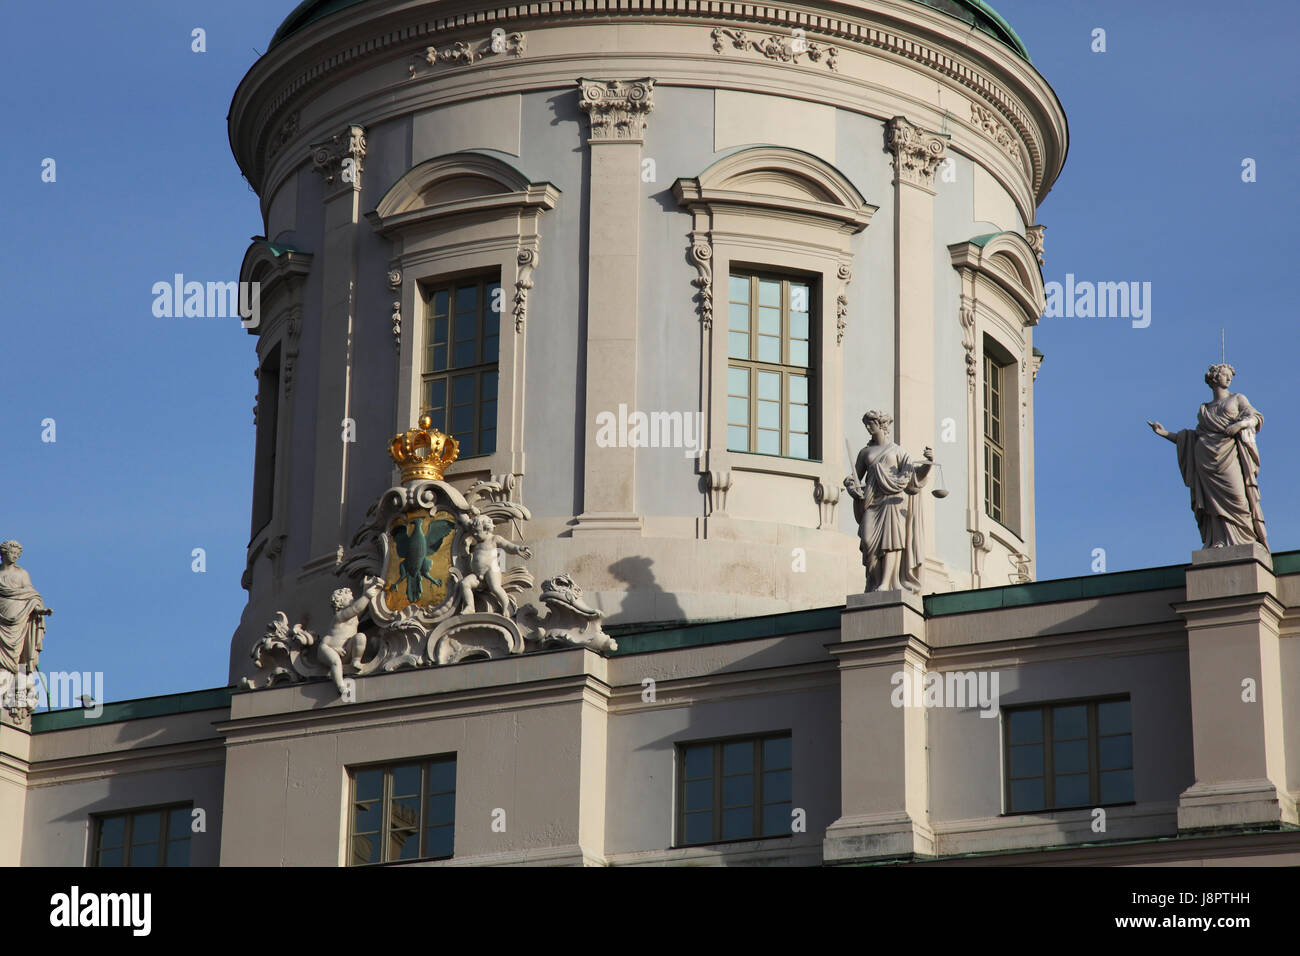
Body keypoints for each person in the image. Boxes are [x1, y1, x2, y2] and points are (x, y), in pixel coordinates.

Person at [1148, 363, 1268, 550]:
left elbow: (1256, 417)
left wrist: (1241, 424)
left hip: (1228, 455)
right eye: (1224, 375)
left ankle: (1246, 538)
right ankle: (1218, 540)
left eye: (1230, 376)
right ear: (1214, 379)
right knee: (1212, 505)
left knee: (1239, 497)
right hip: (1205, 460)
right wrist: (1165, 434)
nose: (1228, 379)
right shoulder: (1205, 409)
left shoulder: (1237, 399)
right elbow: (1191, 438)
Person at [843, 411, 933, 593]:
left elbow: (913, 477)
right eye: (867, 424)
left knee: (892, 541)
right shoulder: (865, 452)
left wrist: (928, 463)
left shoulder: (898, 451)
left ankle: (887, 583)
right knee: (868, 541)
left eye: (871, 424)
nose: (868, 428)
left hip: (893, 501)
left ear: (881, 425)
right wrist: (852, 486)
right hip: (872, 502)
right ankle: (874, 582)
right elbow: (854, 477)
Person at [0, 540, 51, 677]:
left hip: (20, 619)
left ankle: (19, 684)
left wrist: (41, 610)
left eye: (17, 554)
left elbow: (32, 596)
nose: (15, 556)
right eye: (12, 553)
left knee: (20, 652)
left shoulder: (22, 574)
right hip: (1, 619)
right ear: (4, 553)